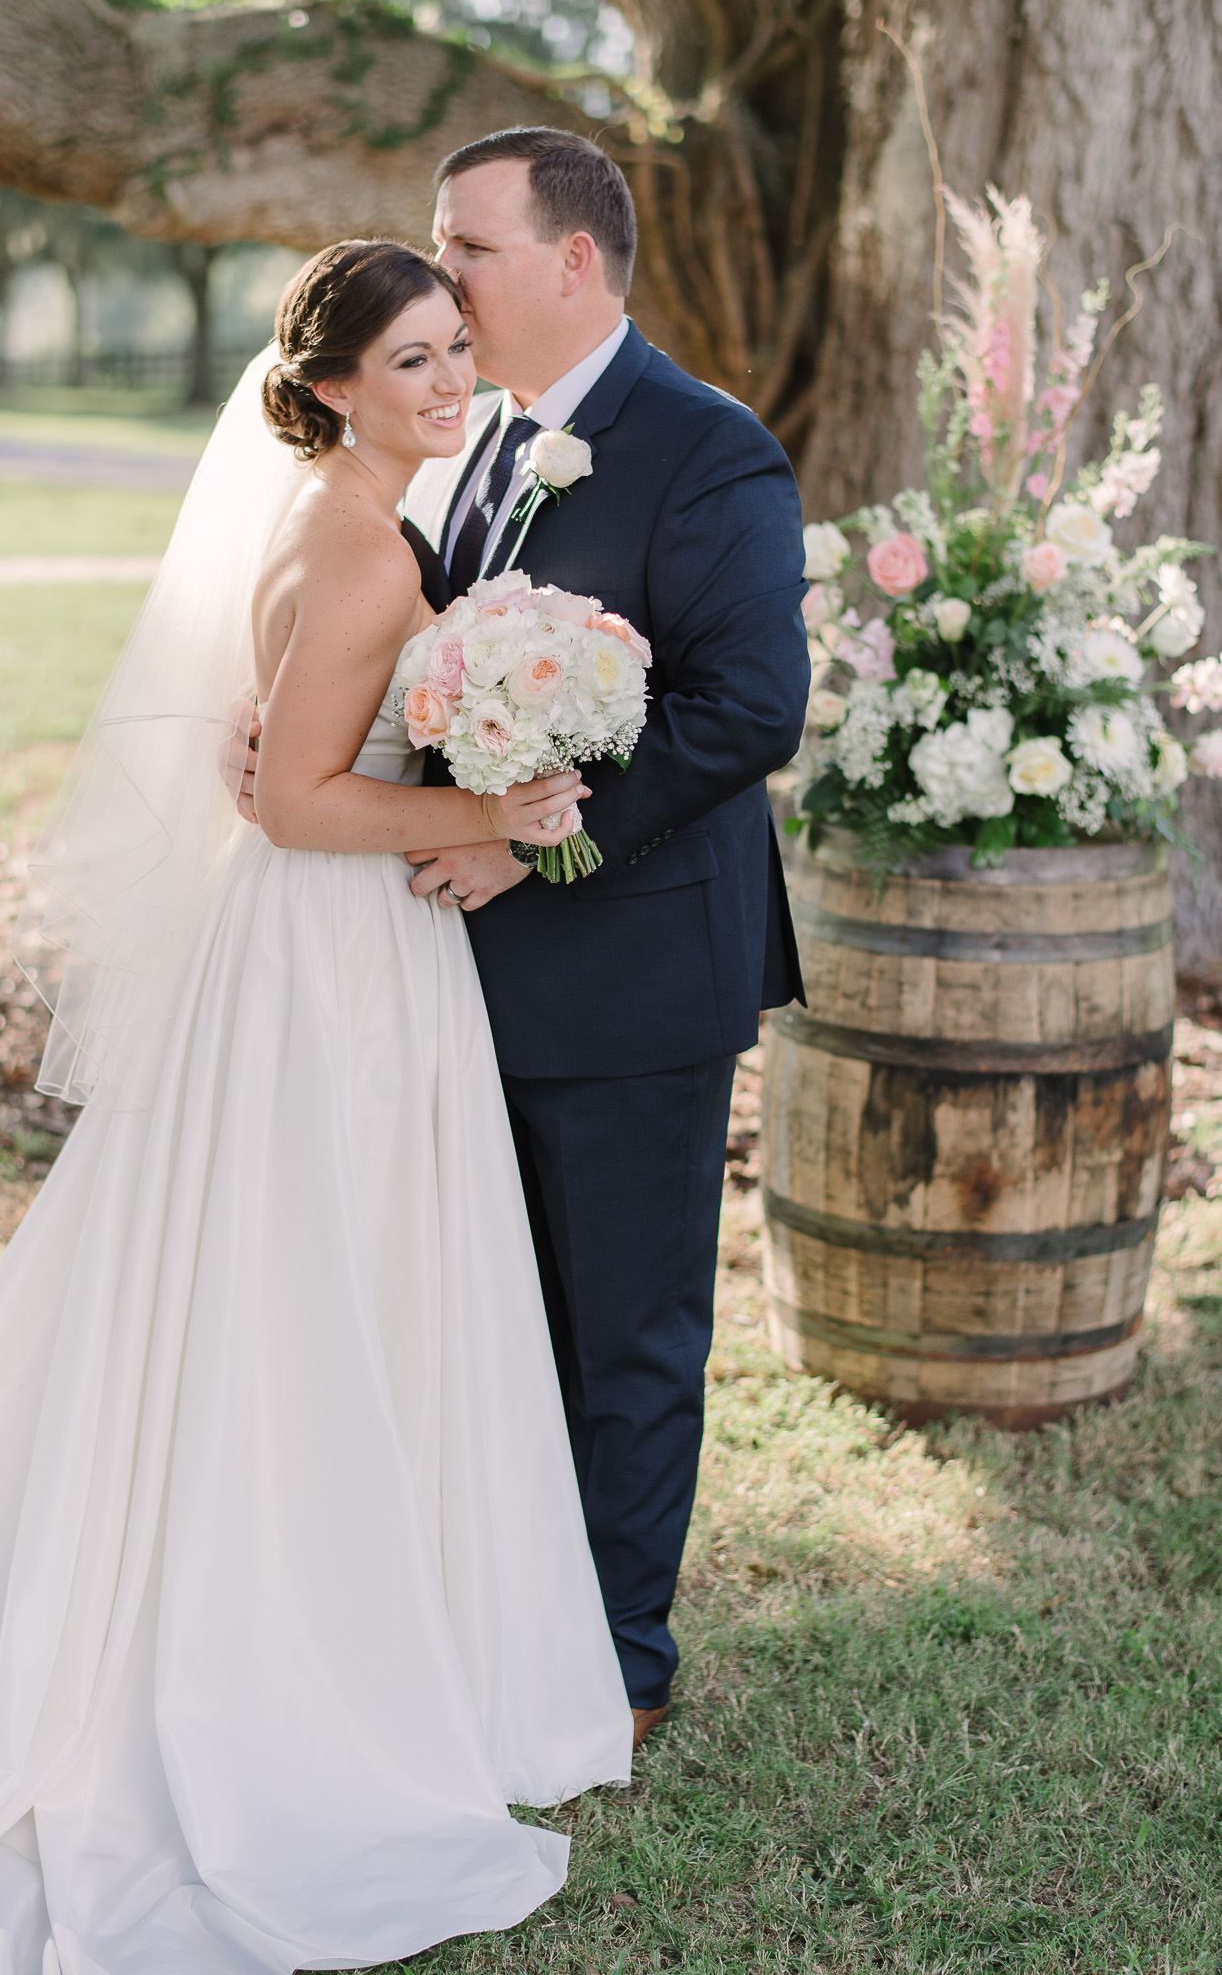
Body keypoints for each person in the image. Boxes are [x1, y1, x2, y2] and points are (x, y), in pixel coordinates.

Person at [0, 241, 632, 1975]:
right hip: (326, 966)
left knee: (312, 1291)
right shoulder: (358, 541)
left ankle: (365, 1633)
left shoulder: (339, 515)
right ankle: (281, 1669)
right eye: (412, 362)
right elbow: (290, 803)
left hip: (334, 958)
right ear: (335, 381)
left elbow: (273, 745)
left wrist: (440, 780)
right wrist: (491, 825)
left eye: (456, 353)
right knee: (313, 1298)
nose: (448, 385)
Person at [397, 129, 809, 1743]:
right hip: (469, 967)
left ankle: (617, 1670)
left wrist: (541, 843)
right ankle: (502, 1623)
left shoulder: (708, 449)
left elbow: (745, 709)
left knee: (627, 1335)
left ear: (573, 262)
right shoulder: (486, 444)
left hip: (635, 963)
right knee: (500, 1313)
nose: (443, 281)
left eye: (468, 249)